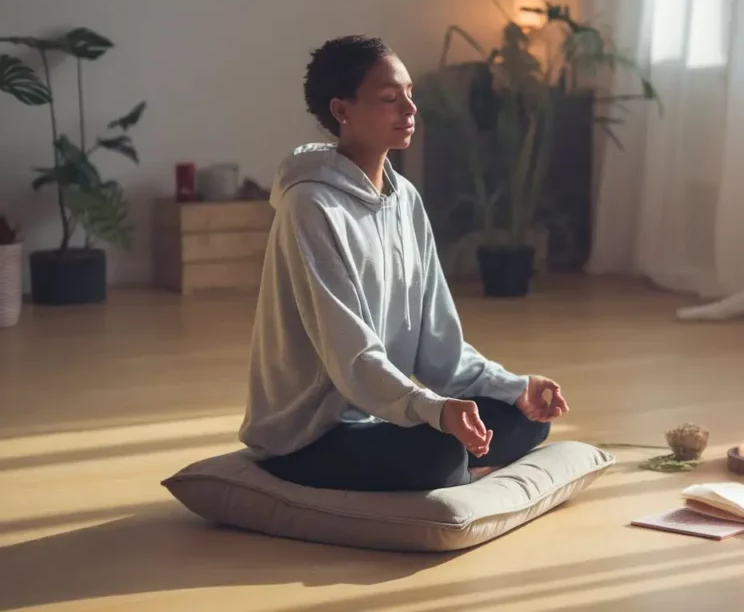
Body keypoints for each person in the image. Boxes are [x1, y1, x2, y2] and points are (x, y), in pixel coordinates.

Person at [239, 35, 569, 492]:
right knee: (440, 451)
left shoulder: (405, 199)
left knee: (526, 418)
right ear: (342, 111)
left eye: (410, 94)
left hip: (385, 415)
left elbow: (442, 352)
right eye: (391, 99)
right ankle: (462, 471)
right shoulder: (310, 206)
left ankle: (463, 470)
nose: (410, 110)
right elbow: (352, 359)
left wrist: (514, 387)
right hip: (312, 437)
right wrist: (433, 411)